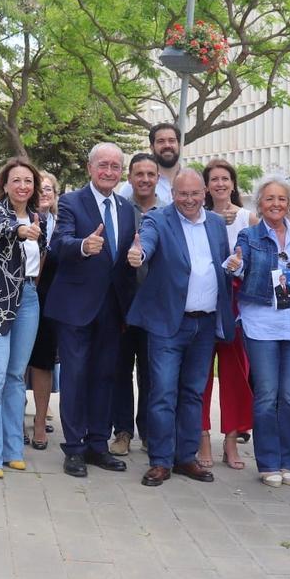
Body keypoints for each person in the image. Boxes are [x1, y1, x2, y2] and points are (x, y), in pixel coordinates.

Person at [127, 169, 232, 486]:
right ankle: (160, 461)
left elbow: (221, 263)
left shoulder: (215, 223)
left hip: (205, 323)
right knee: (162, 392)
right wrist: (139, 253)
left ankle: (186, 457)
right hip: (168, 324)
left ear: (205, 193)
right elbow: (146, 241)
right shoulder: (159, 219)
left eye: (195, 193)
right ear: (173, 194)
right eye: (182, 194)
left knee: (193, 393)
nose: (189, 200)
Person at [47, 142, 137, 478]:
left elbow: (126, 259)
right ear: (90, 168)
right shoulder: (71, 202)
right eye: (103, 165)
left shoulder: (127, 210)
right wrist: (84, 246)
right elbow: (58, 245)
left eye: (115, 166)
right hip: (76, 307)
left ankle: (98, 445)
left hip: (113, 309)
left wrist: (135, 258)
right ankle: (74, 449)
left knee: (105, 377)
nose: (109, 172)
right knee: (76, 376)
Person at [227, 176, 290, 486]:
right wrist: (235, 264)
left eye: (282, 198)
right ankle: (267, 463)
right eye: (270, 199)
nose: (276, 204)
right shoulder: (249, 235)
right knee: (266, 395)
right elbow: (240, 264)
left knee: (289, 396)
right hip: (261, 323)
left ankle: (286, 460)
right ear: (260, 204)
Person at [0, 157, 46, 478]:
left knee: (17, 376)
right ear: (5, 184)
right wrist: (20, 230)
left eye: (28, 181)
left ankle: (12, 449)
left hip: (29, 298)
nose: (22, 186)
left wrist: (32, 230)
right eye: (16, 180)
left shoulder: (38, 218)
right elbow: (1, 229)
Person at [198, 158, 256, 470]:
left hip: (237, 305)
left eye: (225, 178)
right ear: (206, 186)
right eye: (214, 179)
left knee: (236, 375)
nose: (220, 184)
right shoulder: (199, 216)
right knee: (200, 374)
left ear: (233, 183)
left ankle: (232, 441)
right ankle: (202, 435)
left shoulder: (249, 218)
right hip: (205, 303)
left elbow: (263, 257)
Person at [109, 153, 165, 457]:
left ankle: (147, 431)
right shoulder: (117, 209)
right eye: (139, 173)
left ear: (158, 178)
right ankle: (122, 431)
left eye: (150, 174)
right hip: (121, 303)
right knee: (120, 369)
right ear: (129, 177)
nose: (144, 179)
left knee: (150, 372)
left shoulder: (168, 212)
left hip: (155, 306)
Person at [26, 171, 61, 450]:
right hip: (21, 295)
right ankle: (14, 418)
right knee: (15, 363)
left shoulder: (63, 224)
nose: (45, 193)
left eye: (50, 189)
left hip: (51, 299)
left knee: (43, 361)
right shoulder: (19, 220)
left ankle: (40, 421)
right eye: (41, 188)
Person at [117, 122, 180, 205]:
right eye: (161, 141)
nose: (167, 145)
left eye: (171, 140)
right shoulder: (132, 187)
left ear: (179, 145)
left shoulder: (191, 180)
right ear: (152, 147)